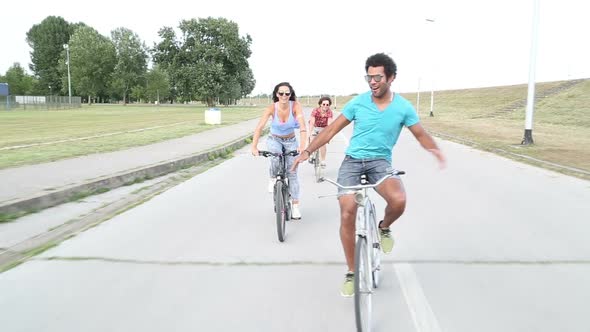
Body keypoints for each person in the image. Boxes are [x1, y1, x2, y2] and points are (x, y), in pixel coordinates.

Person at [292, 53, 446, 296]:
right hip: (352, 162)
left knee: (399, 200)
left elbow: (420, 134)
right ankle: (352, 272)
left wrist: (435, 150)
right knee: (347, 213)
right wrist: (307, 151)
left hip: (380, 162)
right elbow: (332, 129)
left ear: (391, 78)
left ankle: (384, 227)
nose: (373, 82)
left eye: (378, 77)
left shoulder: (403, 107)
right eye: (369, 77)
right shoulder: (358, 102)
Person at [251, 82, 307, 219]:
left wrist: (303, 146)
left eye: (287, 93)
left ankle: (295, 206)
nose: (284, 96)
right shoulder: (271, 108)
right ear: (277, 94)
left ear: (290, 94)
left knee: (292, 172)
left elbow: (302, 127)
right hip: (274, 139)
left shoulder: (295, 106)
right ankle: (272, 179)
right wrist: (254, 146)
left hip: (291, 140)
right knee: (275, 157)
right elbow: (259, 127)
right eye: (281, 93)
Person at [308, 96, 334, 167]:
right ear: (320, 104)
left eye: (327, 105)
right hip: (315, 127)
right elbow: (312, 122)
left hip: (324, 129)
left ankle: (323, 160)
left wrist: (329, 136)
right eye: (324, 104)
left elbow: (329, 125)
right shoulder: (315, 110)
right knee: (312, 141)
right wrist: (310, 133)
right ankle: (311, 155)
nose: (325, 106)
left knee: (322, 144)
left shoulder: (329, 112)